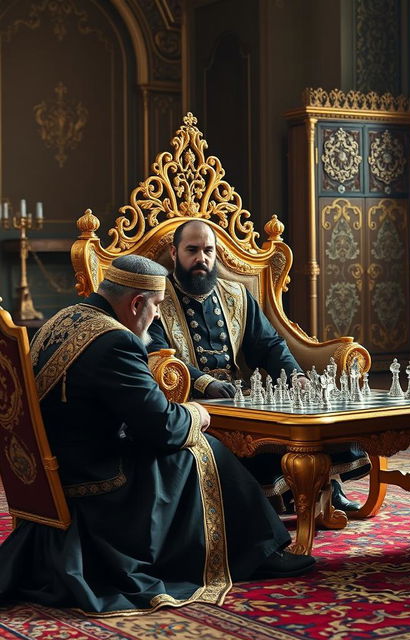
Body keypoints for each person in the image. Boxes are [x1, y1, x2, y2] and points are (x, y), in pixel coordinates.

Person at [0, 256, 314, 617]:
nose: (155, 316)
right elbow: (165, 428)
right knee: (202, 447)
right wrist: (196, 413)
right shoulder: (114, 340)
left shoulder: (64, 318)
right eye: (156, 306)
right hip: (97, 484)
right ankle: (258, 553)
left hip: (54, 473)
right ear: (136, 303)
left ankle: (256, 548)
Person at [147, 219, 370, 512]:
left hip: (243, 397)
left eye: (208, 250)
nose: (201, 258)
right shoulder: (156, 300)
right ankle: (287, 494)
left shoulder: (237, 295)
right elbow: (158, 356)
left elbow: (269, 346)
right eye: (192, 250)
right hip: (192, 400)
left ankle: (323, 486)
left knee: (307, 423)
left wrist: (295, 377)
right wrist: (207, 384)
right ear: (175, 254)